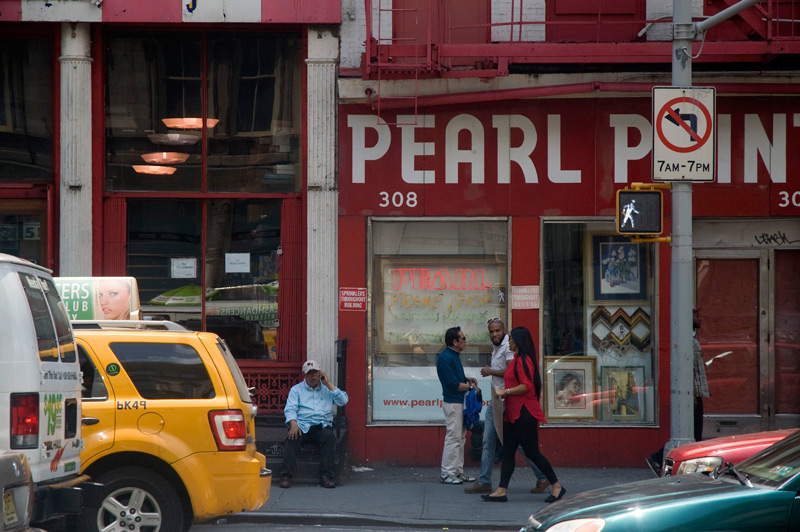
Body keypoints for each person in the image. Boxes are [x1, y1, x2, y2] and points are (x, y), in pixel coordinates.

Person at [464, 318, 549, 495]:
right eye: (491, 331)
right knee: (489, 440)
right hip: (497, 400)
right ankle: (486, 481)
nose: (494, 334)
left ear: (504, 331)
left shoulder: (509, 348)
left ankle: (543, 476)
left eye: (497, 331)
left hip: (507, 400)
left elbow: (512, 372)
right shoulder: (497, 347)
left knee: (517, 444)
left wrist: (490, 372)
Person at [482, 326, 565, 503]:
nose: (509, 341)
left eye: (511, 339)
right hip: (513, 414)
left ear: (518, 341)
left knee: (533, 452)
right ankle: (501, 490)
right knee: (508, 452)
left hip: (523, 414)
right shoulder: (518, 359)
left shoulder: (523, 360)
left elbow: (526, 385)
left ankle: (556, 485)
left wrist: (505, 392)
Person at [646, 308, 709, 475]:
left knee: (695, 433)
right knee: (692, 433)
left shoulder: (691, 338)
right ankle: (660, 458)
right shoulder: (686, 340)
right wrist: (692, 396)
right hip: (692, 394)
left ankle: (664, 460)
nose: (700, 318)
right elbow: (688, 369)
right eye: (696, 315)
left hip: (695, 392)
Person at [279, 360, 349, 489]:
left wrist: (328, 384)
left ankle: (327, 476)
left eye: (315, 372)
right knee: (291, 439)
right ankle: (286, 475)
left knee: (329, 437)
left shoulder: (327, 389)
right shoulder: (296, 390)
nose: (313, 376)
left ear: (320, 373)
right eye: (309, 373)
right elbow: (290, 409)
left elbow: (343, 401)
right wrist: (293, 424)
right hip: (302, 426)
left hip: (321, 426)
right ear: (304, 375)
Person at [436, 326, 478, 485]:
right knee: (454, 438)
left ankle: (457, 471)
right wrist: (471, 387)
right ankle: (447, 473)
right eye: (463, 339)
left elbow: (455, 378)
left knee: (459, 438)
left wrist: (467, 380)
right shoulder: (446, 358)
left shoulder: (451, 355)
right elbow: (453, 384)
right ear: (455, 342)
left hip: (457, 402)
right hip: (453, 403)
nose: (465, 341)